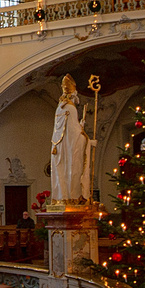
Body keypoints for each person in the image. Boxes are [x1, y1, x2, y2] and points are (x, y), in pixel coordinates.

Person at [50, 74, 91, 202]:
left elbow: (66, 129)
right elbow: (74, 133)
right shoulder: (71, 108)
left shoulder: (59, 108)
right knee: (72, 171)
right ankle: (72, 197)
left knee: (60, 173)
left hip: (58, 148)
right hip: (70, 148)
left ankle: (61, 197)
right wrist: (86, 137)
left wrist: (79, 127)